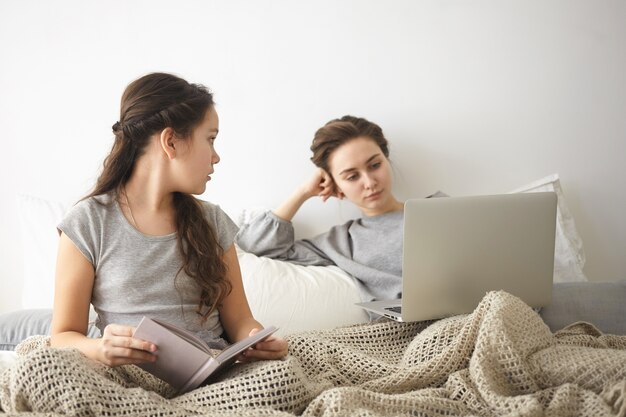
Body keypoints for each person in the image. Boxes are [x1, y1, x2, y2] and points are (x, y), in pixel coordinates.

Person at [50, 72, 288, 367]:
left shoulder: (212, 221)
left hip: (212, 371)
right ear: (171, 141)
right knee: (46, 370)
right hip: (127, 373)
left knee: (283, 375)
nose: (216, 157)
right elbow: (62, 335)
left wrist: (257, 340)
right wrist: (101, 349)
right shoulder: (88, 222)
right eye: (210, 139)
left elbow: (240, 321)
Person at [236, 115, 443, 304]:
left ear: (386, 158)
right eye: (352, 177)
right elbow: (253, 246)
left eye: (375, 165)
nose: (369, 183)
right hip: (414, 331)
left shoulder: (439, 210)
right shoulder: (341, 242)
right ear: (335, 183)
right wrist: (303, 192)